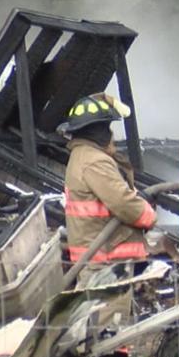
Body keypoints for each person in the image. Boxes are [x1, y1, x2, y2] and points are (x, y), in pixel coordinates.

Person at [58, 92, 157, 261]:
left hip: (100, 260)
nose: (111, 135)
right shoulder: (95, 162)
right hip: (109, 264)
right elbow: (124, 204)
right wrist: (148, 214)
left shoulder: (82, 155)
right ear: (98, 132)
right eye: (107, 128)